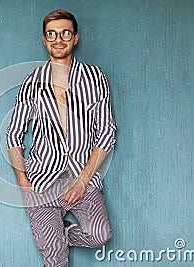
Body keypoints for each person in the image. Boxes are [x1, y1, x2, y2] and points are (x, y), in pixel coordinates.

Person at [6, 9, 117, 267]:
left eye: (65, 33)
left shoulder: (94, 77)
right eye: (52, 34)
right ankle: (56, 239)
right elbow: (13, 134)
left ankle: (65, 232)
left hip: (82, 176)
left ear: (75, 38)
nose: (59, 39)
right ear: (44, 40)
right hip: (42, 182)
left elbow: (107, 131)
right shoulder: (31, 82)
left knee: (100, 234)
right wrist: (24, 183)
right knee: (55, 259)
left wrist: (82, 181)